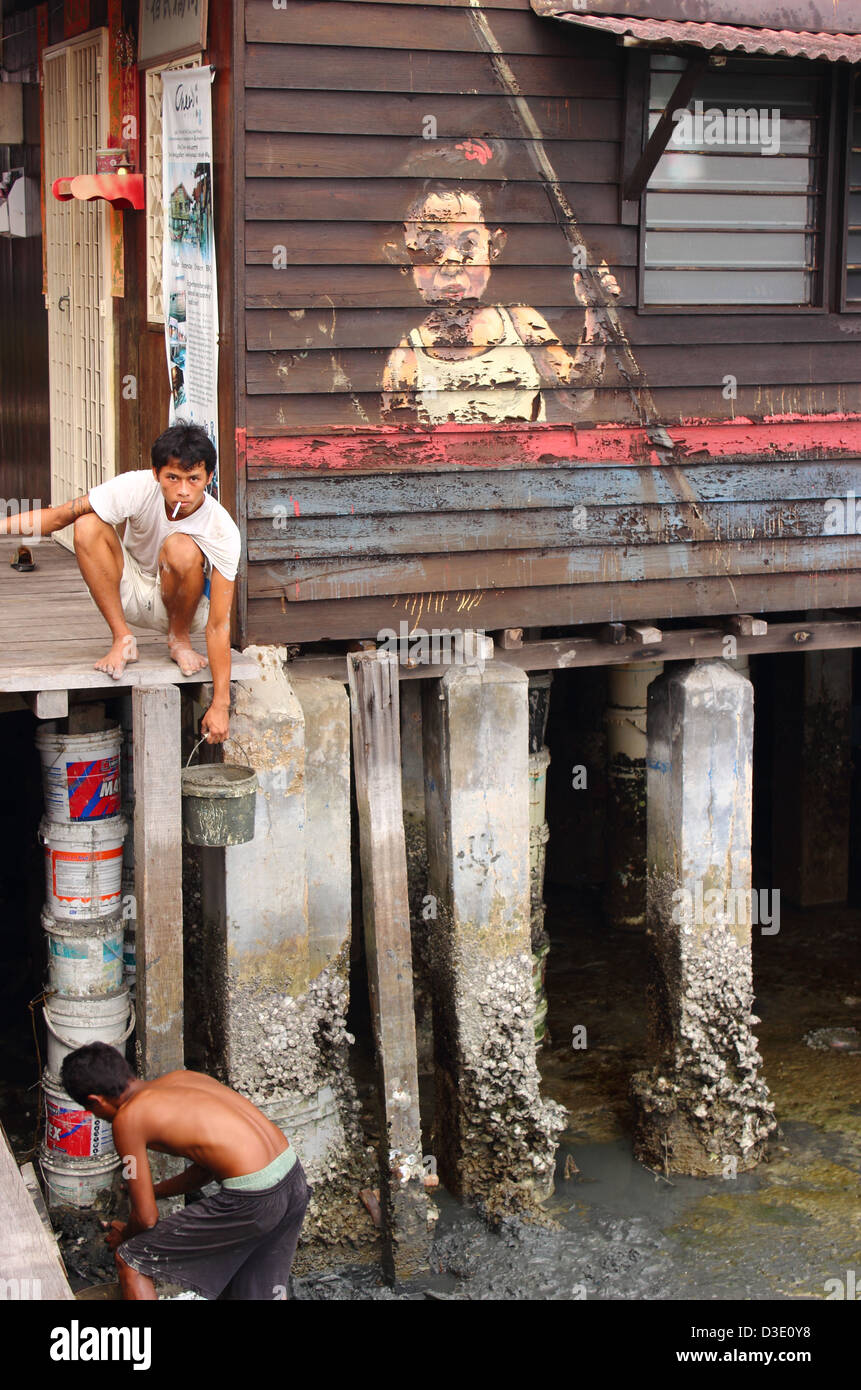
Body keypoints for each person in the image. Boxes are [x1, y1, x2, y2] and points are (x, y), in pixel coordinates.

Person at [0, 423, 240, 744]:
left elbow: (219, 624)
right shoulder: (136, 486)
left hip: (187, 605)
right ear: (156, 474)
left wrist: (220, 703)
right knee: (86, 524)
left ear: (209, 478)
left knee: (180, 547)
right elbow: (58, 517)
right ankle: (122, 639)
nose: (183, 490)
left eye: (193, 479)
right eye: (173, 478)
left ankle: (178, 640)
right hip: (131, 590)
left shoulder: (221, 528)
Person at [60, 1042, 310, 1302]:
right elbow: (205, 1171)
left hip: (255, 1199)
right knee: (255, 1293)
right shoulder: (182, 1078)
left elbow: (146, 1219)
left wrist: (124, 1236)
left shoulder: (128, 1118)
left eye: (92, 1111)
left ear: (95, 1101)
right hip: (293, 1179)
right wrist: (154, 1191)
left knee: (131, 1260)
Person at [382, 183, 620, 424]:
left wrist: (597, 313)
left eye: (468, 245)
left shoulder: (520, 322)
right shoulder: (406, 358)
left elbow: (576, 396)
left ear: (493, 247)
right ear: (403, 259)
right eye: (431, 247)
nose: (452, 264)